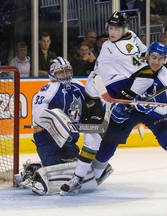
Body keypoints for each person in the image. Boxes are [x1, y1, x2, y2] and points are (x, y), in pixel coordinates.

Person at [61, 41, 167, 196]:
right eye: (153, 57)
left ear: (165, 60)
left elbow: (166, 107)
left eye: (161, 59)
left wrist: (152, 105)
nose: (156, 62)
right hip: (130, 110)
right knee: (110, 140)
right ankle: (91, 176)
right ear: (147, 56)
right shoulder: (132, 69)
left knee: (166, 135)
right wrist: (114, 107)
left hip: (153, 112)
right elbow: (110, 91)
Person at [60, 11, 149, 195]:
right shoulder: (119, 43)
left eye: (116, 28)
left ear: (124, 29)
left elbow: (143, 62)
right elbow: (101, 76)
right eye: (110, 28)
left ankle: (88, 175)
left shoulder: (126, 44)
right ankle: (84, 175)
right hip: (96, 92)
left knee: (103, 137)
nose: (112, 32)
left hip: (108, 94)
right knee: (93, 137)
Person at [14, 57, 95, 195]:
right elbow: (38, 113)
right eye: (61, 72)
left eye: (67, 71)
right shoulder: (49, 88)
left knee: (72, 165)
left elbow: (93, 102)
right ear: (53, 74)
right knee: (56, 166)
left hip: (69, 139)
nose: (66, 75)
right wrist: (57, 121)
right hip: (47, 137)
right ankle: (31, 174)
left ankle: (35, 169)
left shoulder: (78, 86)